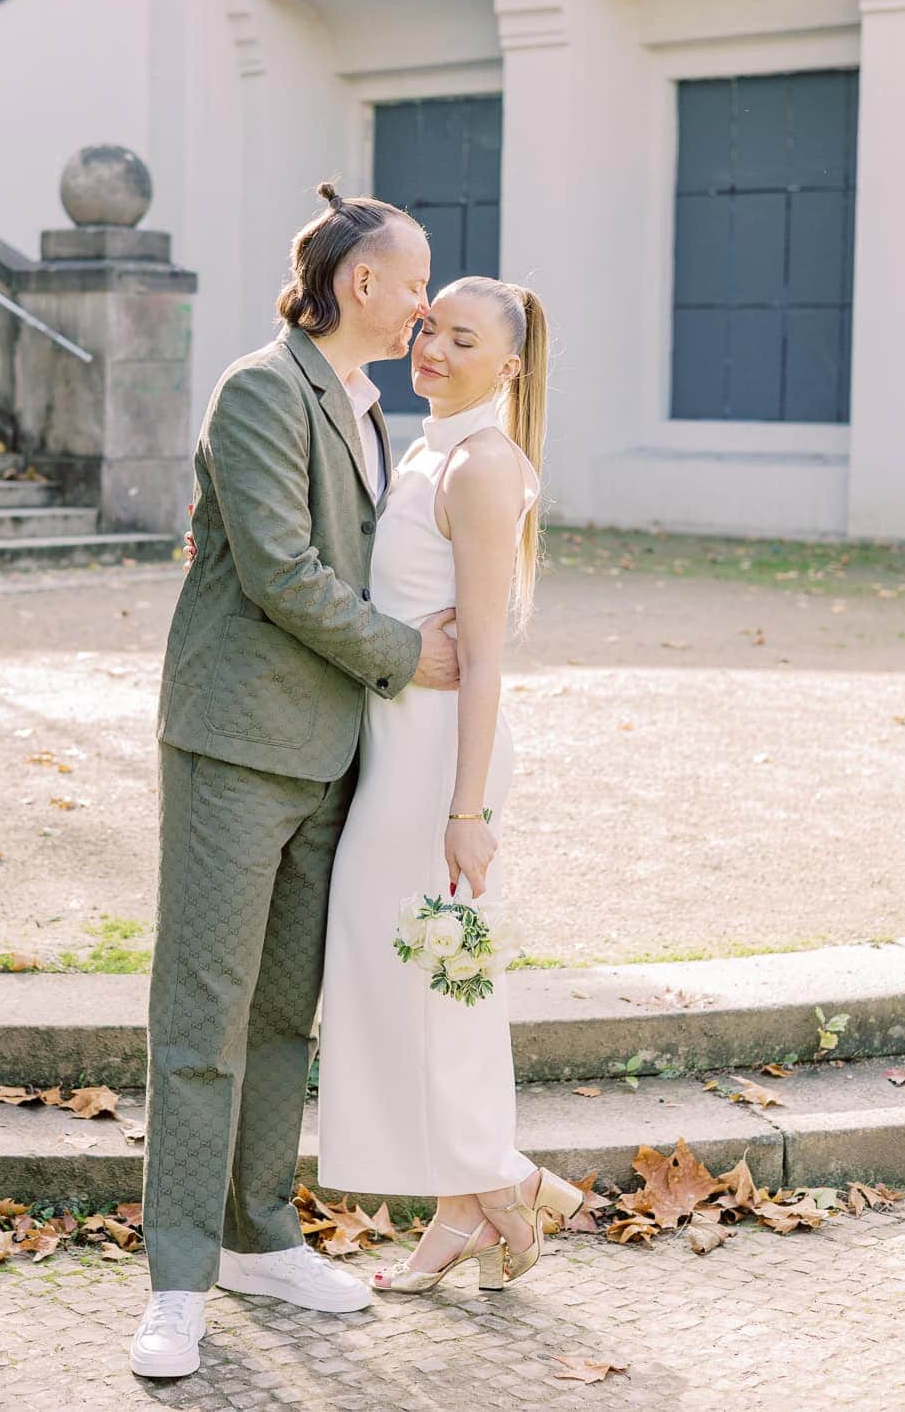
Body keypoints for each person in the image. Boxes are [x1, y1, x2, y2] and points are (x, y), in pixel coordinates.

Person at [132, 183, 461, 1379]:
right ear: (361, 284)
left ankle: (258, 1236)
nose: (424, 303)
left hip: (333, 755)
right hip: (236, 745)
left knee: (282, 1016)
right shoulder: (263, 389)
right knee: (203, 1018)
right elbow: (280, 569)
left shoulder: (369, 408)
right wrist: (407, 655)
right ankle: (177, 1283)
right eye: (415, 282)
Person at [318, 271, 584, 1293]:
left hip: (442, 761)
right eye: (430, 327)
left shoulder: (482, 465)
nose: (432, 347)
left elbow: (483, 656)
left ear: (509, 365)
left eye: (463, 339)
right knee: (402, 974)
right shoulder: (425, 448)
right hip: (397, 744)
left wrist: (466, 810)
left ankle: (502, 1185)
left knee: (440, 976)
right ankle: (470, 1203)